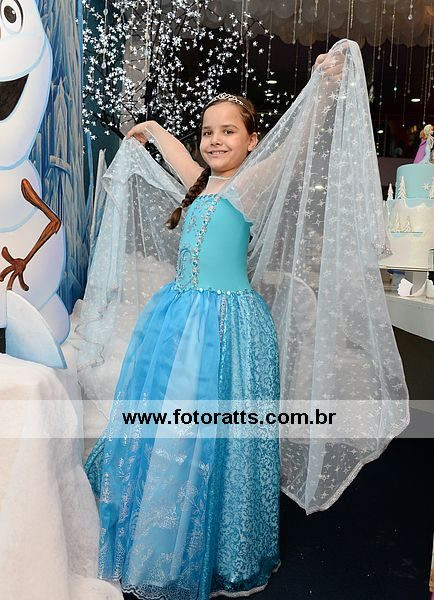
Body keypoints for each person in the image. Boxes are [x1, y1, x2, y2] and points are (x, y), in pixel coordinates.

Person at [78, 39, 409, 599]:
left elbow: (297, 139)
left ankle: (208, 539)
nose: (215, 140)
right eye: (208, 131)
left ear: (252, 141)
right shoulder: (200, 185)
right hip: (179, 317)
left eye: (229, 131)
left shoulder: (250, 184)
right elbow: (175, 154)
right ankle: (156, 519)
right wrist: (152, 129)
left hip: (226, 324)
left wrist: (324, 89)